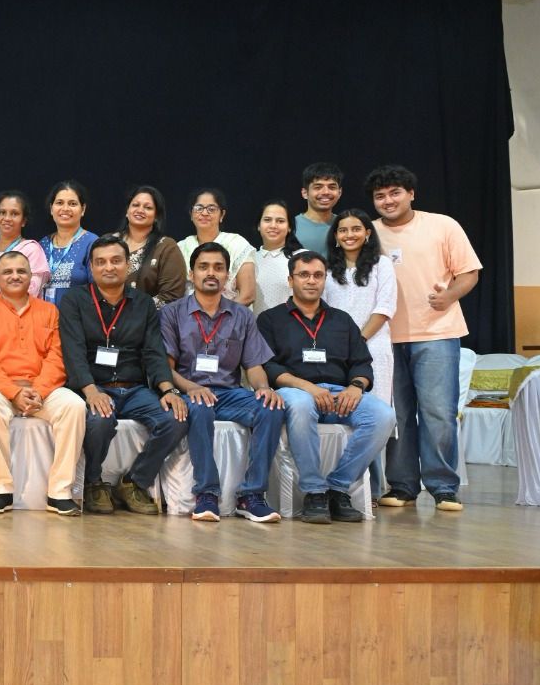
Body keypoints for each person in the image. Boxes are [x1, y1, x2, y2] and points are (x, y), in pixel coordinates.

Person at [366, 164, 481, 513]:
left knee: (438, 413)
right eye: (380, 196)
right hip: (385, 338)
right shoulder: (368, 233)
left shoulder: (443, 225)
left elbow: (469, 273)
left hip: (437, 333)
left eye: (395, 193)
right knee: (397, 416)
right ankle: (402, 486)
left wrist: (450, 296)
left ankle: (444, 487)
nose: (388, 201)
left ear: (411, 194)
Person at [258, 251, 395, 524]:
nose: (311, 281)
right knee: (300, 405)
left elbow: (361, 363)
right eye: (304, 275)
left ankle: (337, 488)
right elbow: (268, 366)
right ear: (290, 280)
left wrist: (356, 387)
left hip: (339, 394)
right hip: (295, 391)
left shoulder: (342, 320)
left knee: (384, 416)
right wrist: (308, 388)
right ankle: (314, 492)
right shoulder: (270, 319)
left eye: (318, 275)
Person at [58, 235, 189, 516]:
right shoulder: (74, 301)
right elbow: (73, 351)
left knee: (175, 418)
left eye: (116, 261)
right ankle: (94, 482)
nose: (109, 267)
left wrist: (168, 390)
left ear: (127, 265)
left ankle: (134, 482)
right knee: (99, 421)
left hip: (134, 388)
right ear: (91, 267)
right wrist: (90, 391)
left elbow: (153, 351)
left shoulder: (143, 304)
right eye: (101, 262)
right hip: (94, 385)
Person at [161, 242, 285, 523]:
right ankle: (206, 493)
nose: (211, 273)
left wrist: (264, 389)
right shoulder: (172, 313)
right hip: (189, 391)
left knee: (272, 407)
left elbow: (253, 366)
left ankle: (251, 496)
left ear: (227, 276)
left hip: (229, 394)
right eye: (203, 267)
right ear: (191, 274)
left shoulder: (242, 315)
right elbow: (166, 369)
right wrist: (191, 388)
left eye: (218, 268)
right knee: (199, 406)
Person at [0, 250, 86, 515]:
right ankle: (0, 489)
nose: (15, 276)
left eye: (21, 271)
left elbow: (57, 357)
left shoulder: (49, 311)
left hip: (40, 388)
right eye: (7, 272)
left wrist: (39, 391)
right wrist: (13, 392)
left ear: (31, 276)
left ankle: (59, 492)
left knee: (74, 406)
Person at [324, 208, 396, 404]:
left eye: (356, 229)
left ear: (367, 233)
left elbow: (385, 307)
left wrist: (358, 341)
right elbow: (323, 309)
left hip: (373, 344)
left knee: (376, 408)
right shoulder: (327, 269)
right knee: (339, 406)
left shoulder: (382, 264)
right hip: (337, 349)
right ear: (336, 236)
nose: (349, 235)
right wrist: (340, 345)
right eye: (343, 230)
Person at [176, 188, 257, 305]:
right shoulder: (180, 247)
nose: (204, 213)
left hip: (231, 314)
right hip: (188, 315)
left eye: (211, 209)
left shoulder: (237, 243)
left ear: (222, 215)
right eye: (199, 208)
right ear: (191, 214)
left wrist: (223, 315)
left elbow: (248, 295)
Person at [117, 185, 185, 305]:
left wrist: (135, 311)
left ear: (156, 216)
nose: (140, 210)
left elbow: (171, 295)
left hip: (150, 316)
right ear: (127, 211)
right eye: (135, 205)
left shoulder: (166, 247)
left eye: (148, 207)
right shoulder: (109, 242)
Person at [0, 189, 49, 299]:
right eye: (2, 212)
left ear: (24, 221)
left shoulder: (31, 250)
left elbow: (30, 293)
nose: (7, 218)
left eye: (14, 214)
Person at [39, 180, 95, 304]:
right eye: (59, 203)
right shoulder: (42, 245)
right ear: (51, 208)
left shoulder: (92, 243)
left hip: (78, 315)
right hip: (44, 315)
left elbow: (98, 289)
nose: (65, 208)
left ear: (83, 209)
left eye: (72, 204)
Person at [250, 200, 303, 316]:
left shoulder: (302, 258)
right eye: (267, 220)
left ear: (289, 227)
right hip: (255, 326)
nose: (273, 226)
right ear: (259, 225)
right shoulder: (249, 259)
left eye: (280, 221)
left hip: (293, 325)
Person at [296, 162, 344, 259]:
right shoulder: (291, 226)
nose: (325, 192)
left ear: (339, 192)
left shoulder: (345, 225)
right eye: (318, 187)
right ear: (305, 193)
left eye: (332, 187)